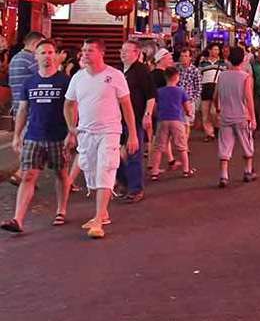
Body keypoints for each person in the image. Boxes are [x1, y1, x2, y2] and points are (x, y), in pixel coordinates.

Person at [64, 38, 139, 239]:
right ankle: (102, 213)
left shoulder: (114, 76)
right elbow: (69, 104)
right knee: (90, 172)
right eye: (83, 50)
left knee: (106, 169)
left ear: (101, 53)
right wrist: (72, 128)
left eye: (89, 50)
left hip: (110, 131)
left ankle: (98, 219)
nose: (85, 54)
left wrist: (132, 133)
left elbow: (127, 106)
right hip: (86, 133)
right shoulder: (78, 78)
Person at [4, 40, 71, 233]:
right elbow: (23, 109)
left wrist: (72, 133)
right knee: (28, 176)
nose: (47, 56)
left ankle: (61, 210)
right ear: (36, 56)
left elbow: (73, 109)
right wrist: (17, 135)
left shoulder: (65, 82)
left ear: (56, 56)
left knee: (61, 174)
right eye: (43, 53)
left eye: (51, 52)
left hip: (58, 137)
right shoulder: (30, 82)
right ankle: (18, 219)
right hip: (33, 136)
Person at [117, 41, 156, 204]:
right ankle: (125, 182)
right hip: (117, 119)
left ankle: (135, 189)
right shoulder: (119, 72)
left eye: (127, 51)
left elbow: (150, 95)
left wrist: (147, 115)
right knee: (114, 154)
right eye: (122, 50)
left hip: (136, 118)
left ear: (136, 52)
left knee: (134, 153)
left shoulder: (141, 70)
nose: (123, 53)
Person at [214, 47, 257, 187]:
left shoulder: (222, 76)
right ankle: (247, 171)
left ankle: (224, 175)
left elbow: (216, 96)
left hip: (225, 115)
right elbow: (249, 99)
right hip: (242, 116)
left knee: (224, 145)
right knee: (247, 143)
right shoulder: (245, 77)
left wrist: (218, 109)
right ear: (243, 59)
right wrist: (253, 117)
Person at [5, 31, 43, 186]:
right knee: (31, 143)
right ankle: (22, 174)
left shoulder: (15, 58)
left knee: (26, 142)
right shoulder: (30, 59)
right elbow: (45, 75)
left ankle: (27, 175)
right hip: (29, 108)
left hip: (18, 106)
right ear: (35, 45)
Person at [148, 67, 195, 180]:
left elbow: (154, 107)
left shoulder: (159, 91)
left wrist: (157, 114)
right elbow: (187, 107)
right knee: (182, 146)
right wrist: (188, 113)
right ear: (177, 77)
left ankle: (154, 171)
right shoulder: (181, 91)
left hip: (162, 120)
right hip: (177, 120)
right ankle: (186, 170)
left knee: (158, 147)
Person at [198, 43, 227, 141]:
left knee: (215, 112)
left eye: (217, 50)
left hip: (217, 90)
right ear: (209, 50)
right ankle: (209, 134)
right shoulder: (203, 63)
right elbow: (199, 76)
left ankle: (217, 128)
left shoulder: (223, 64)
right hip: (205, 89)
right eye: (214, 49)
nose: (216, 52)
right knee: (205, 114)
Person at [176, 48, 202, 126]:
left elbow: (198, 88)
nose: (183, 58)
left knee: (187, 124)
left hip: (189, 100)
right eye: (182, 56)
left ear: (190, 57)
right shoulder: (176, 69)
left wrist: (192, 100)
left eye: (186, 56)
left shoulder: (195, 70)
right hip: (177, 101)